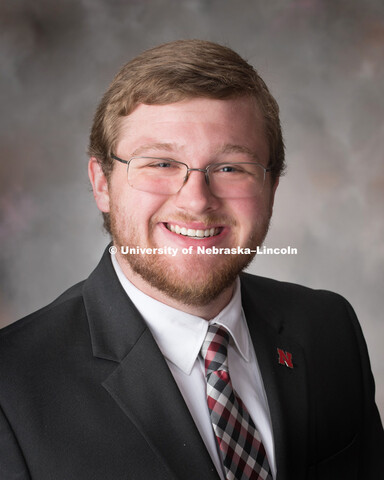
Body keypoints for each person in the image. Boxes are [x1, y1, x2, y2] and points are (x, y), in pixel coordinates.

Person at [0, 40, 382, 480]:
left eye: (230, 168)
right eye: (161, 163)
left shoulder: (329, 327)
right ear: (102, 184)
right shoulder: (11, 389)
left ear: (272, 188)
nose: (197, 201)